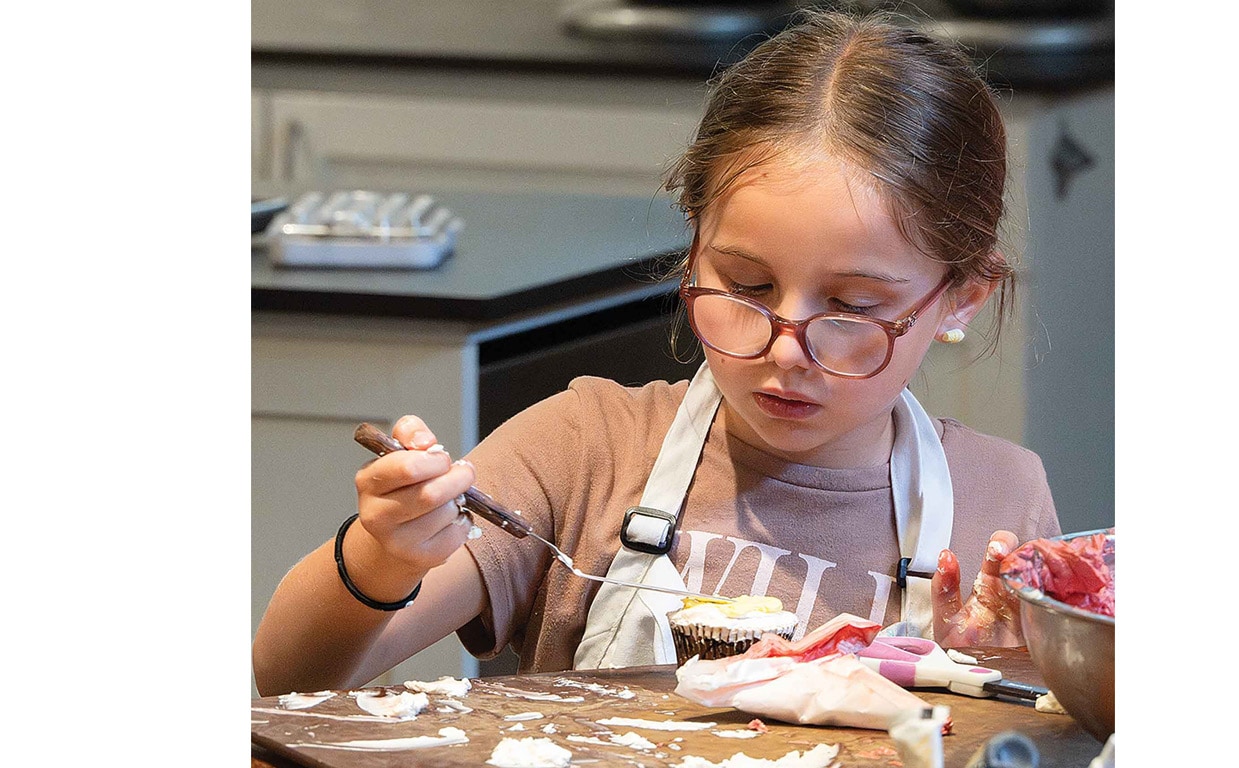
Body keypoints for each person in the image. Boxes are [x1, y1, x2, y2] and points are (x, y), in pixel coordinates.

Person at [252, 8, 1061, 697]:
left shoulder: (999, 500)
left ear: (960, 296)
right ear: (693, 252)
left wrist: (999, 675)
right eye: (745, 286)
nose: (787, 348)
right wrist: (382, 557)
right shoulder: (585, 449)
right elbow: (289, 677)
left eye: (854, 308)